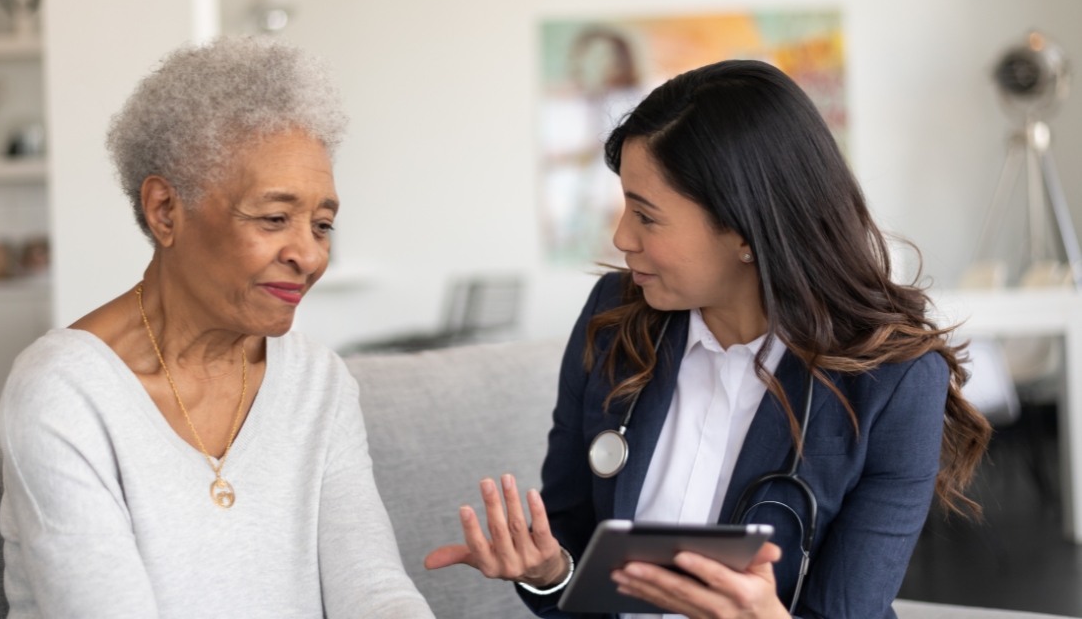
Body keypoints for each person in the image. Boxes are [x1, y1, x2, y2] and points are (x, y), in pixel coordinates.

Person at [425, 60, 991, 619]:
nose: (622, 236)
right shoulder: (614, 318)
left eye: (647, 216)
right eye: (625, 205)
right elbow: (573, 555)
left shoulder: (894, 383)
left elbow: (849, 609)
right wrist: (549, 573)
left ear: (746, 231)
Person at [0, 37, 434, 619]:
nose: (308, 254)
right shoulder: (64, 391)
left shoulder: (316, 382)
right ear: (165, 211)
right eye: (275, 219)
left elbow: (374, 591)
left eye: (322, 224)